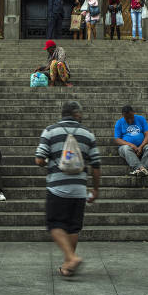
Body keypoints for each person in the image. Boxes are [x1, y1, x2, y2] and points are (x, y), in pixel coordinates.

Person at [35, 101, 100, 277]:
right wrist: (95, 189)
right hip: (79, 189)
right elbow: (96, 164)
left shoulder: (50, 131)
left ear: (62, 114)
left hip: (57, 187)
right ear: (77, 114)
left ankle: (71, 258)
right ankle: (68, 264)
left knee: (55, 224)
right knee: (73, 227)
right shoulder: (87, 134)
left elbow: (39, 159)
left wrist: (51, 160)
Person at [114, 105, 148, 176]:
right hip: (127, 148)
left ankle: (142, 170)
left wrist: (141, 146)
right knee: (126, 148)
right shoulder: (119, 122)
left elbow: (147, 134)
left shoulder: (141, 119)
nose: (129, 120)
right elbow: (117, 139)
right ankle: (140, 168)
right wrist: (131, 145)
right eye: (127, 118)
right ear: (123, 116)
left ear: (134, 113)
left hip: (141, 147)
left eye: (131, 117)